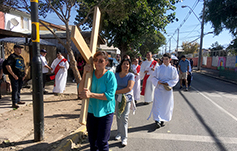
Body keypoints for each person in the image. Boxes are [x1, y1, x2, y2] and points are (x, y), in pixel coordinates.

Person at [79, 51, 117, 151]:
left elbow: (109, 96)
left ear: (106, 62)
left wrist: (91, 94)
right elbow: (80, 92)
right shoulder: (90, 75)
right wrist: (84, 74)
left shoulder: (110, 76)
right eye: (96, 60)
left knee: (102, 142)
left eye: (101, 61)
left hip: (106, 113)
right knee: (92, 141)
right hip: (91, 111)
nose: (97, 63)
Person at [148, 53, 179, 128]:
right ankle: (157, 120)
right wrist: (157, 82)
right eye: (164, 59)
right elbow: (153, 77)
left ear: (170, 60)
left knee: (166, 105)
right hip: (159, 89)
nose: (165, 61)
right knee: (158, 104)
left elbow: (175, 79)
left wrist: (167, 83)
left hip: (167, 90)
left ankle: (163, 119)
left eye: (166, 59)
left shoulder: (173, 69)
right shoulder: (158, 68)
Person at [115, 58, 135, 146]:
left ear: (129, 66)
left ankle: (124, 138)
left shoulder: (131, 75)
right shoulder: (116, 75)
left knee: (124, 117)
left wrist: (116, 92)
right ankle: (119, 132)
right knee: (118, 116)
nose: (125, 65)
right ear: (121, 65)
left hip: (126, 98)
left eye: (127, 64)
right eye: (124, 64)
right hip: (116, 98)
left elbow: (129, 88)